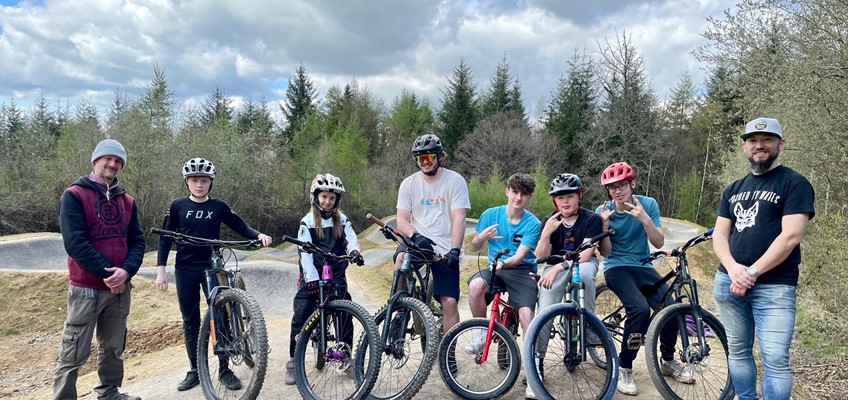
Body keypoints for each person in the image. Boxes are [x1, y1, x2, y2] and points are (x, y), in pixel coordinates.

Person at [712, 117, 814, 400]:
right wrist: (734, 270)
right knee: (738, 349)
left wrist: (752, 273)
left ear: (780, 144)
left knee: (776, 358)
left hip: (775, 287)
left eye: (767, 140)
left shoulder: (795, 184)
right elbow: (719, 236)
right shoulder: (732, 189)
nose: (760, 146)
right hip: (729, 283)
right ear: (745, 146)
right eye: (753, 141)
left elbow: (791, 236)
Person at [155, 157, 272, 392]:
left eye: (204, 180)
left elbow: (241, 226)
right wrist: (161, 271)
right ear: (187, 182)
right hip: (185, 268)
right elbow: (165, 237)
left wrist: (259, 235)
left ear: (211, 182)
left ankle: (224, 369)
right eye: (195, 180)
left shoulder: (219, 207)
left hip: (212, 266)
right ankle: (195, 370)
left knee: (220, 316)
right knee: (190, 320)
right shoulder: (177, 206)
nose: (199, 185)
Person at [54, 138, 146, 400]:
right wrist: (109, 274)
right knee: (73, 352)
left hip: (120, 288)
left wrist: (126, 272)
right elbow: (75, 243)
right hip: (86, 289)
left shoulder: (127, 200)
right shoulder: (74, 195)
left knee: (113, 348)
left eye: (118, 161)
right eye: (108, 158)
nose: (113, 164)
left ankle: (109, 393)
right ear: (95, 160)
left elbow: (137, 241)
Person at [595, 161, 693, 396]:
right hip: (616, 267)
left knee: (670, 308)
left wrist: (644, 219)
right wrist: (605, 226)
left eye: (622, 185)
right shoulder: (603, 211)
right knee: (639, 310)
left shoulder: (648, 204)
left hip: (643, 265)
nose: (617, 191)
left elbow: (658, 242)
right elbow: (606, 253)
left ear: (633, 184)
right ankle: (625, 365)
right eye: (612, 187)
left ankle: (668, 361)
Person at [525, 173, 603, 398]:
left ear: (579, 196)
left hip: (579, 264)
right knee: (545, 312)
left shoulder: (591, 219)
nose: (565, 202)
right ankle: (536, 366)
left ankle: (588, 325)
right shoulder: (549, 220)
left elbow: (587, 254)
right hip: (553, 266)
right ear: (554, 202)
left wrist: (558, 268)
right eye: (560, 198)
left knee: (586, 275)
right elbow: (541, 256)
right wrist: (546, 234)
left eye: (570, 196)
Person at [284, 173, 364, 385]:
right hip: (313, 273)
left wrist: (355, 251)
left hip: (336, 273)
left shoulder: (342, 219)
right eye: (324, 197)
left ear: (336, 200)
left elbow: (351, 239)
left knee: (346, 312)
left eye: (331, 198)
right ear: (316, 197)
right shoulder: (307, 222)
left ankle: (344, 357)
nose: (327, 201)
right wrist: (311, 278)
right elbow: (305, 253)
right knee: (302, 312)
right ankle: (294, 359)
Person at [467, 173, 540, 398]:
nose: (518, 197)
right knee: (476, 286)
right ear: (507, 191)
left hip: (521, 269)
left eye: (523, 194)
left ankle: (534, 370)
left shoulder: (533, 223)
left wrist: (502, 264)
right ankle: (481, 332)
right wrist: (481, 238)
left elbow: (519, 257)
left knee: (527, 314)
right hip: (494, 267)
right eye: (515, 192)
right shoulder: (490, 215)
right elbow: (474, 246)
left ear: (529, 197)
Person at [394, 133, 470, 333]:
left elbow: (459, 218)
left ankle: (448, 351)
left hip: (445, 248)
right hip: (418, 242)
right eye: (420, 158)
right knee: (401, 257)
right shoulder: (408, 184)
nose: (425, 162)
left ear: (439, 156)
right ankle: (400, 310)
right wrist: (416, 236)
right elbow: (401, 219)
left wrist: (455, 249)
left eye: (429, 157)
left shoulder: (455, 181)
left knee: (450, 303)